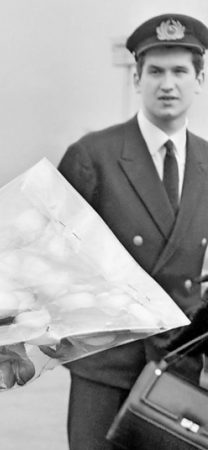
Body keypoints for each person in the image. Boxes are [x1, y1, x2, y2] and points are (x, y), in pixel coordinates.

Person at [58, 13, 208, 450]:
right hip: (104, 366)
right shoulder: (93, 157)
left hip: (178, 365)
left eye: (180, 71)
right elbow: (53, 262)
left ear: (199, 80)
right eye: (156, 72)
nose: (168, 84)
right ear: (137, 78)